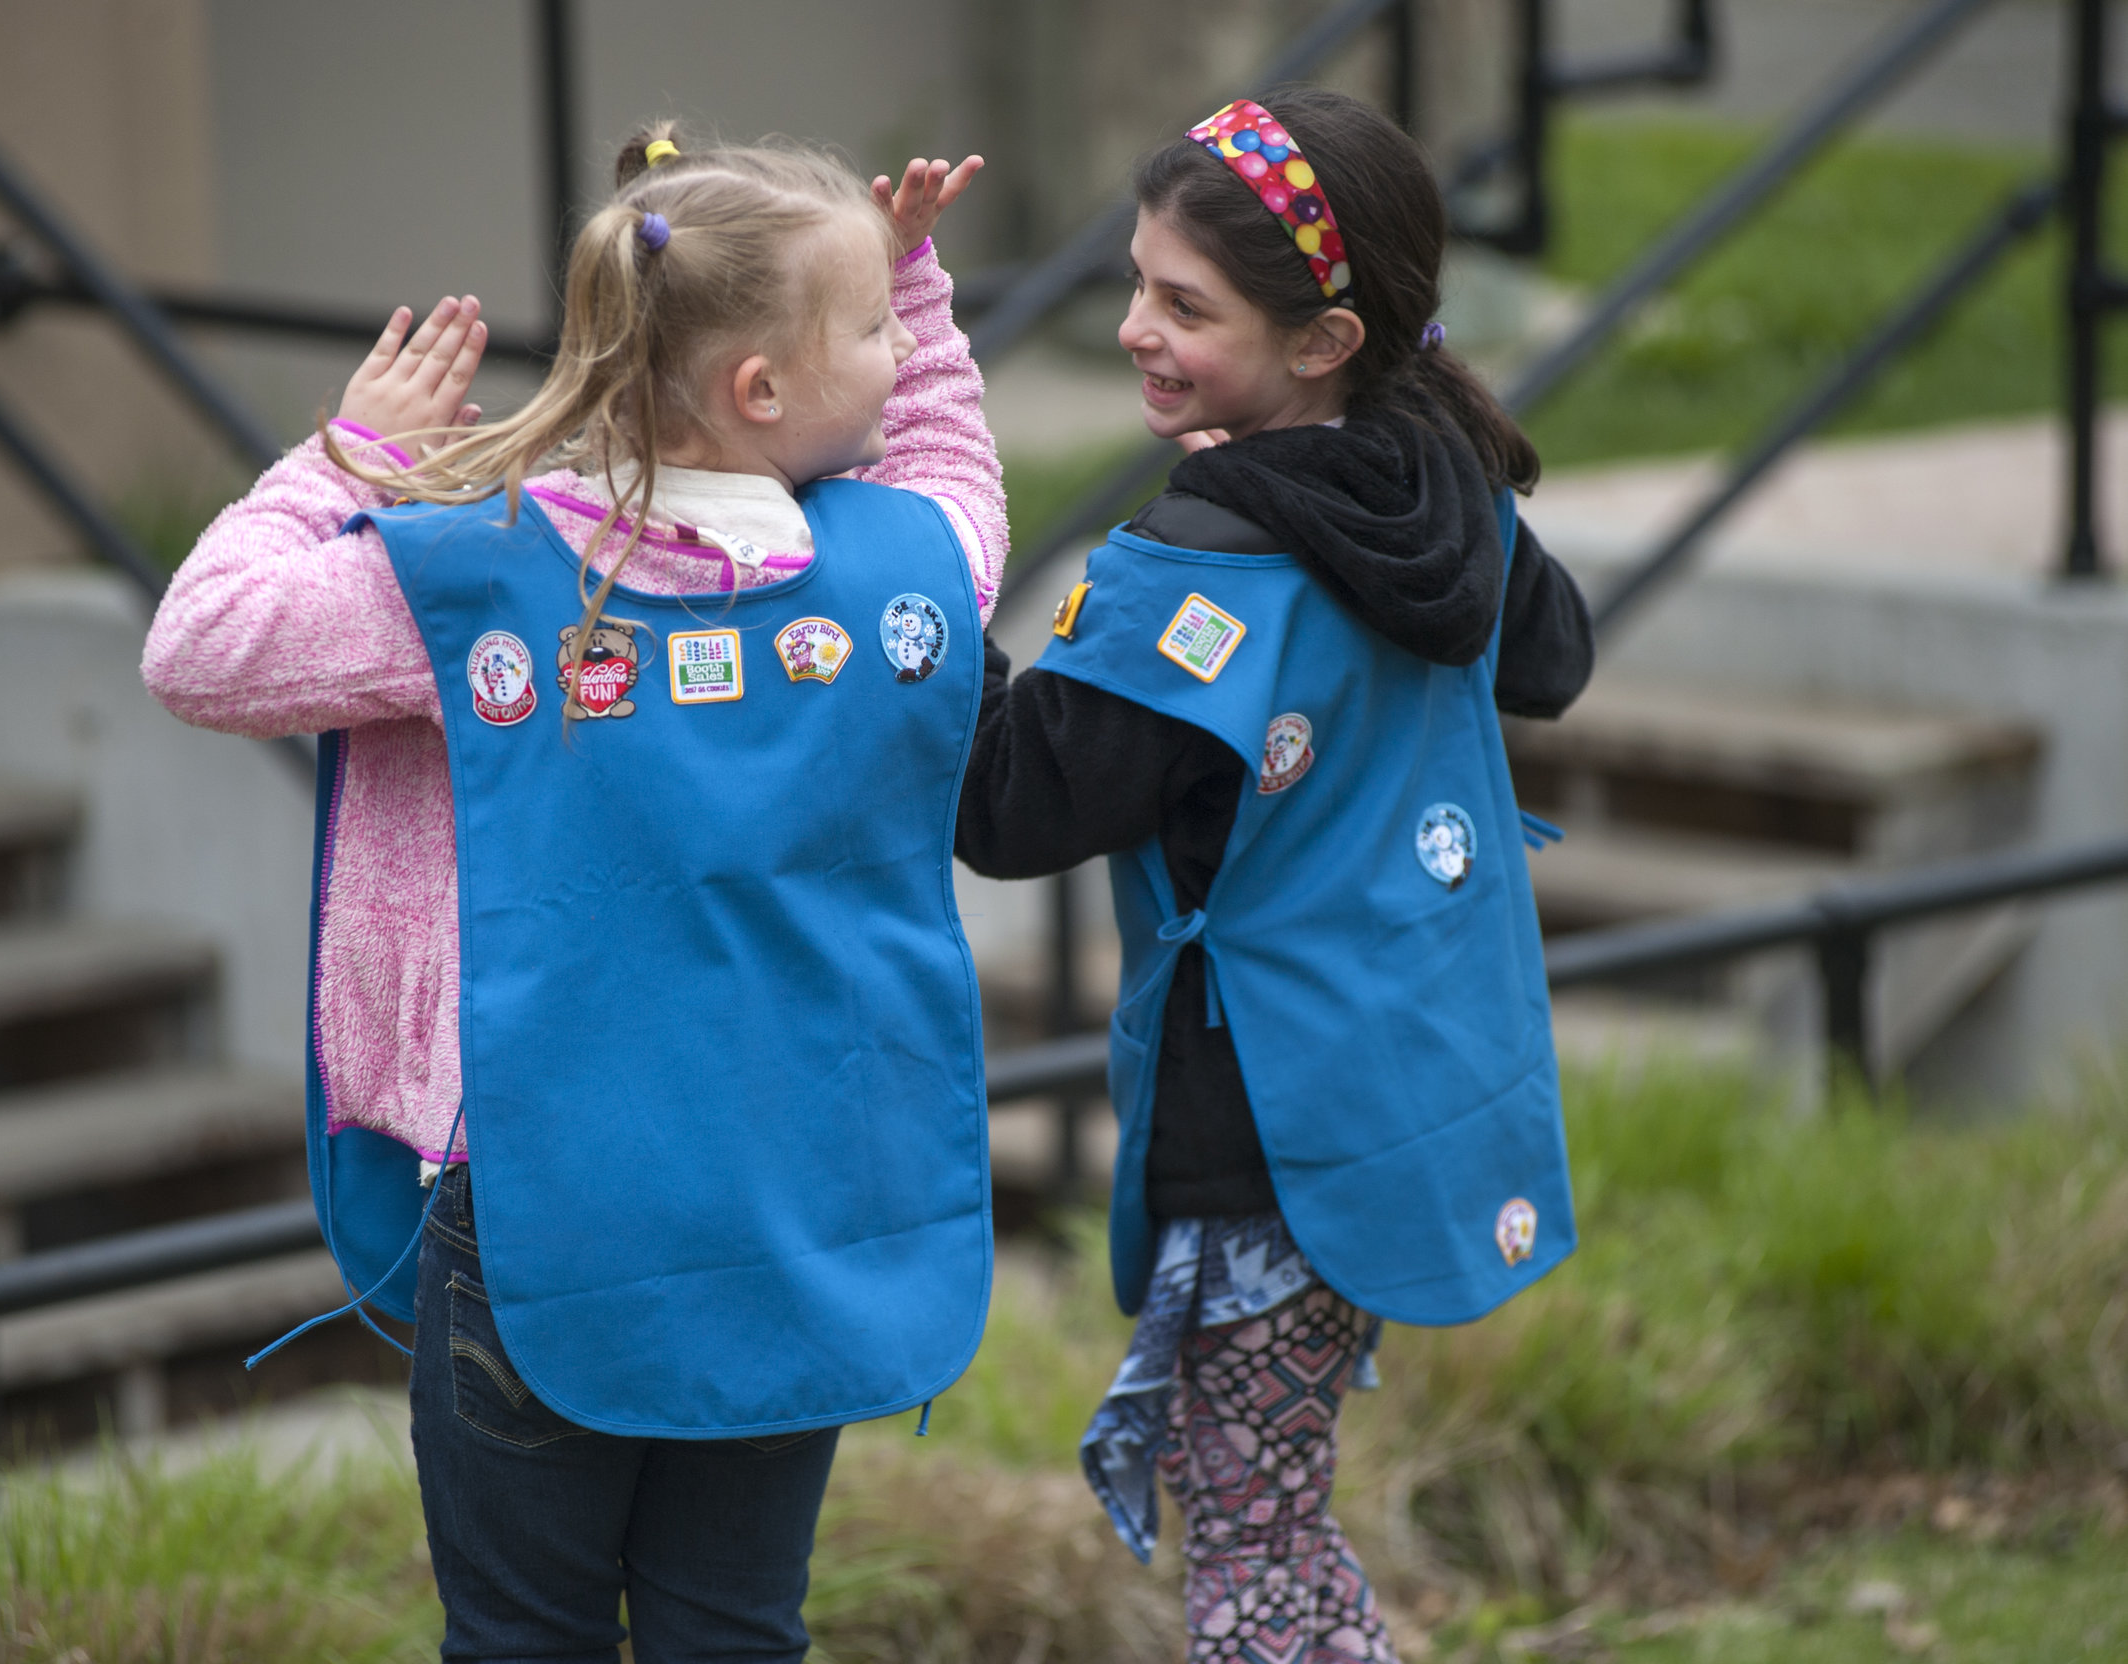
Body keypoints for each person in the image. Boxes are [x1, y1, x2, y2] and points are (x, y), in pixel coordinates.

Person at [143, 127, 1003, 1663]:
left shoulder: (473, 577)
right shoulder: (905, 574)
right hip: (788, 1203)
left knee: (523, 1635)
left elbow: (202, 645)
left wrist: (349, 458)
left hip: (543, 1214)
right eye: (868, 330)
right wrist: (927, 299)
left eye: (896, 327)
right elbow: (952, 460)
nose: (901, 351)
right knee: (734, 1624)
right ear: (761, 393)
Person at [955, 86, 1595, 1662]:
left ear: (1321, 340)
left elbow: (1010, 804)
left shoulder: (1212, 562)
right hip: (1399, 1084)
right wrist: (1415, 420)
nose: (1132, 329)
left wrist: (921, 571)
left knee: (1255, 1555)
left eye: (1185, 304)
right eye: (1135, 283)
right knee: (1274, 1522)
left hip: (1262, 1133)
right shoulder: (1432, 484)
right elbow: (1553, 655)